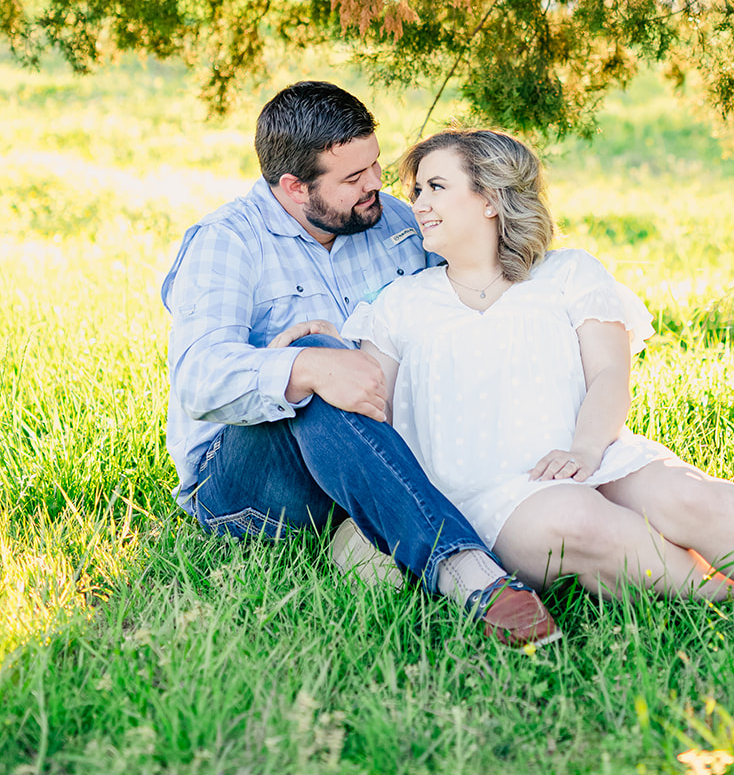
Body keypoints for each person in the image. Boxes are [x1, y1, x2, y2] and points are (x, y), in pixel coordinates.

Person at [279, 128, 734, 630]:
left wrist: (588, 453)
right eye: (417, 188)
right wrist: (309, 345)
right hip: (480, 490)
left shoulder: (568, 276)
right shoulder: (402, 302)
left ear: (491, 198)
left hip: (588, 454)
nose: (418, 203)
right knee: (575, 520)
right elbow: (365, 398)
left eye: (435, 186)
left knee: (692, 498)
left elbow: (607, 381)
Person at [161, 82, 559, 647]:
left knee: (336, 365)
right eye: (352, 179)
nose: (377, 184)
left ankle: (370, 537)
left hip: (378, 460)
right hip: (250, 491)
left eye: (374, 164)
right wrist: (311, 368)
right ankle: (469, 572)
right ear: (294, 188)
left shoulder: (398, 225)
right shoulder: (228, 242)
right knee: (320, 358)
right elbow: (199, 381)